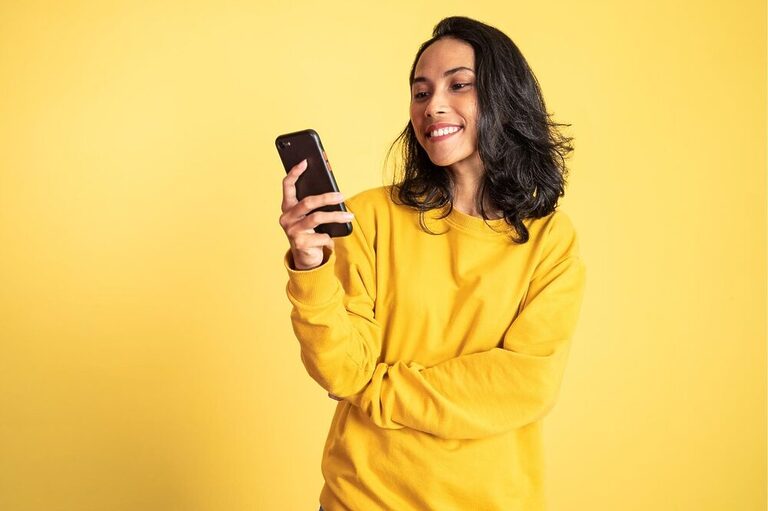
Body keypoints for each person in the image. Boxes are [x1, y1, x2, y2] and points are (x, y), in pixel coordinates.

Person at [279, 15, 587, 511]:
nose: (433, 106)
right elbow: (341, 369)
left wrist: (375, 389)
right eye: (420, 93)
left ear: (505, 98)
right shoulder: (371, 218)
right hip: (363, 499)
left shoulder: (549, 239)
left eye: (458, 85)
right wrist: (310, 265)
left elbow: (524, 384)